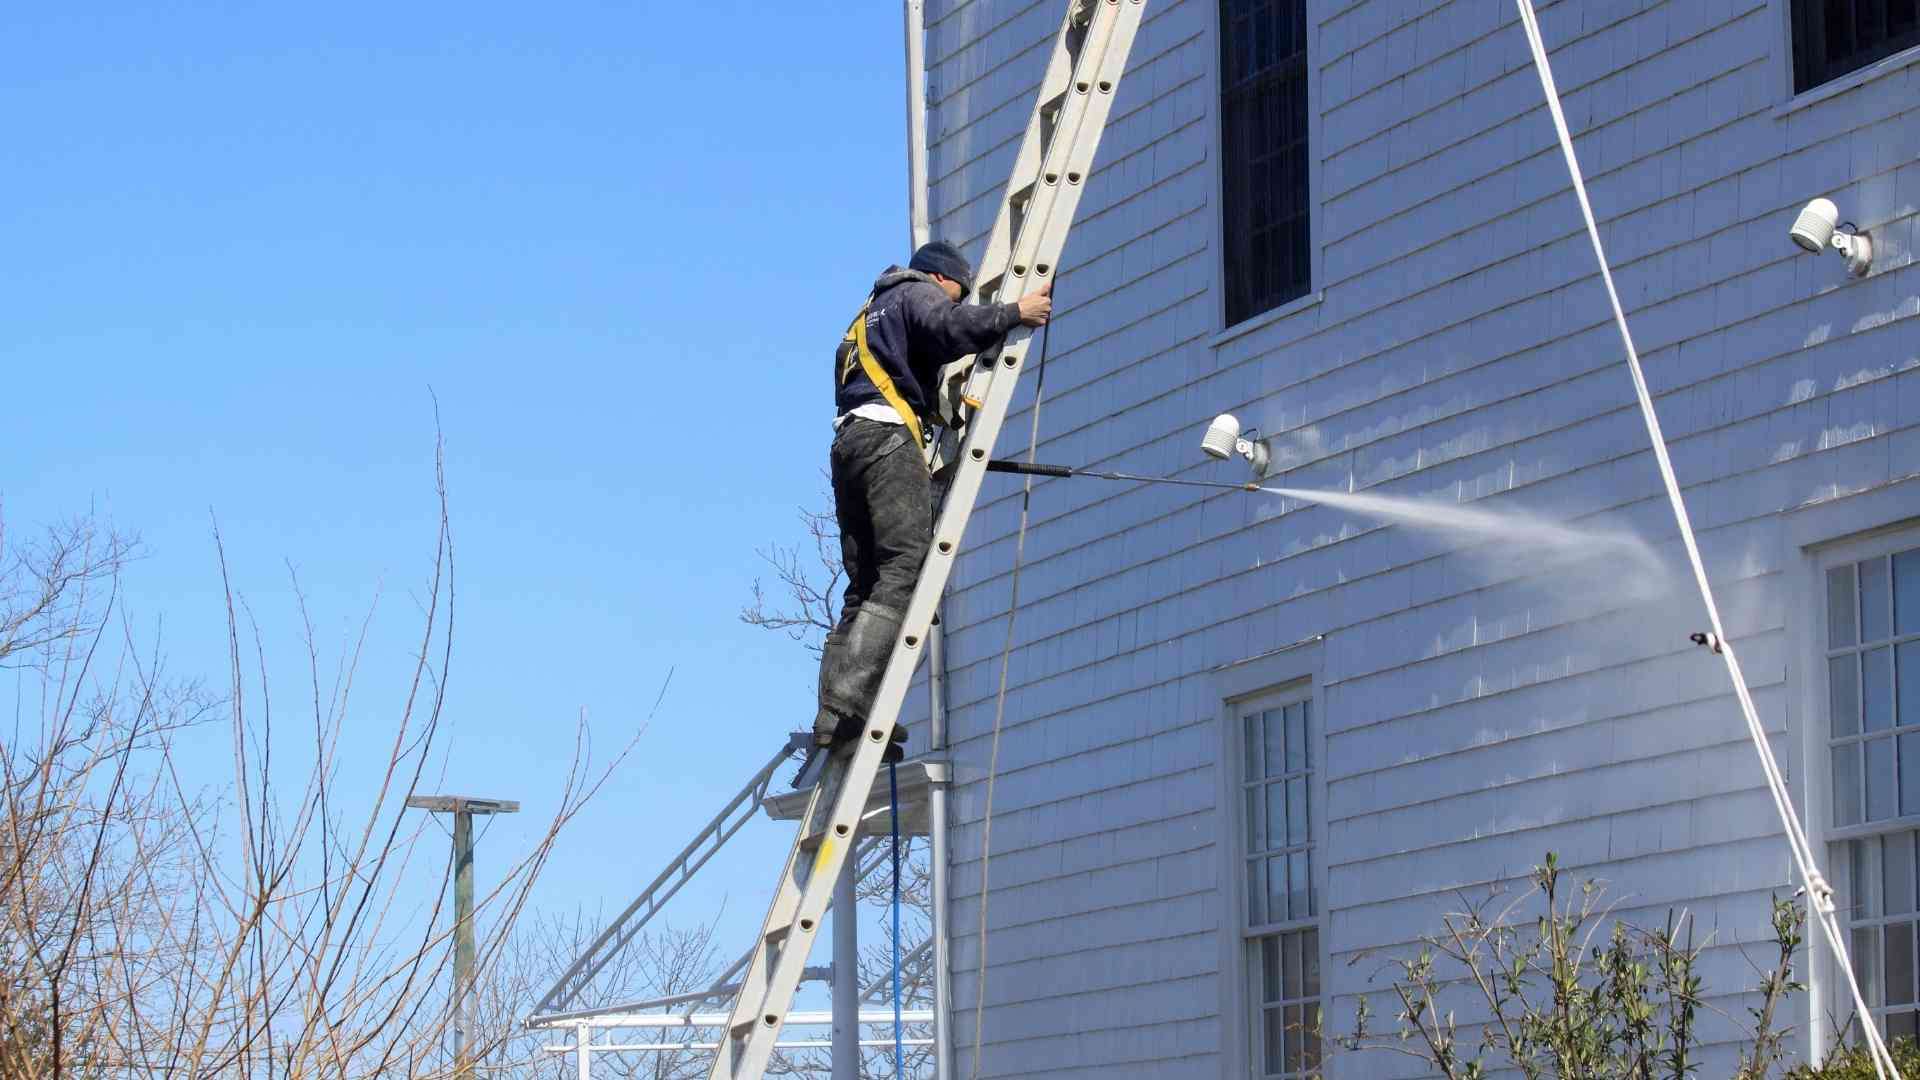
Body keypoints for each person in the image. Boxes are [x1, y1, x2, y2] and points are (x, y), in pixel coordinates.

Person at [814, 240, 1053, 759]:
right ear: (942, 279)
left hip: (848, 444)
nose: (957, 300)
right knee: (903, 571)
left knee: (865, 585)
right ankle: (856, 704)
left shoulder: (868, 314)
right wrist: (1017, 312)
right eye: (958, 292)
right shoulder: (916, 294)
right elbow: (949, 329)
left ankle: (835, 714)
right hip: (884, 440)